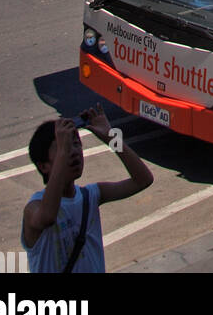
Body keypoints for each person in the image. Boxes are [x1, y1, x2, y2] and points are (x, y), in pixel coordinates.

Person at [22, 109, 153, 273]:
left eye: (77, 144)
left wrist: (111, 137)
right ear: (43, 166)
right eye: (65, 147)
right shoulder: (34, 207)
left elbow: (143, 180)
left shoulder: (90, 196)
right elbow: (48, 217)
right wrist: (65, 149)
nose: (74, 152)